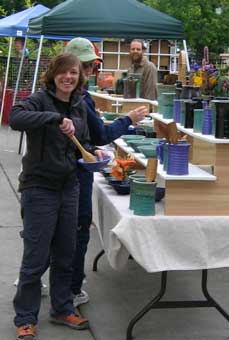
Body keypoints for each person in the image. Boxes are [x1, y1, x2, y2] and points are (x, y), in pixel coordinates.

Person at [9, 53, 91, 340]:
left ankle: (62, 308)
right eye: (62, 72)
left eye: (73, 73)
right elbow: (15, 117)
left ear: (79, 77)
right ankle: (25, 317)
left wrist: (97, 153)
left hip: (69, 187)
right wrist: (54, 118)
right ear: (53, 74)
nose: (68, 77)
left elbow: (84, 142)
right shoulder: (40, 100)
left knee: (65, 254)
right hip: (39, 188)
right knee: (35, 257)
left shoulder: (79, 105)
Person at [64, 37, 147, 308]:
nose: (89, 73)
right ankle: (70, 290)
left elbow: (90, 137)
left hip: (65, 172)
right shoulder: (79, 97)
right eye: (85, 68)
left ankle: (59, 285)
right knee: (77, 229)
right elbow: (101, 134)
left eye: (89, 68)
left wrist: (90, 145)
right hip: (74, 175)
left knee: (61, 231)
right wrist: (129, 119)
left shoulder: (67, 95)